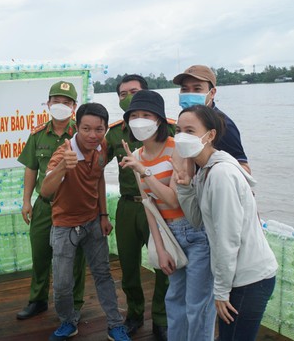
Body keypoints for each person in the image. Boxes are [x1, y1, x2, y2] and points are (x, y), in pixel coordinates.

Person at [174, 105, 277, 341]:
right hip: (239, 277)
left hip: (249, 279)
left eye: (190, 130)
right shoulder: (205, 171)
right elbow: (198, 220)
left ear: (210, 135)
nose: (181, 136)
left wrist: (220, 291)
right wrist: (184, 187)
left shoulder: (221, 174)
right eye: (178, 130)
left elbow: (227, 239)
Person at [119, 91, 215, 341]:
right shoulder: (137, 155)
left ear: (159, 120)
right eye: (135, 116)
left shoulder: (177, 148)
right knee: (174, 299)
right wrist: (160, 248)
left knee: (197, 304)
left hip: (194, 232)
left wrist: (144, 172)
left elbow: (174, 199)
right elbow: (149, 206)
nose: (140, 120)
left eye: (146, 115)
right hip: (168, 232)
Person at [41, 103, 130, 341]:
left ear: (104, 129)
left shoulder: (101, 146)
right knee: (61, 283)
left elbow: (99, 177)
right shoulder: (64, 153)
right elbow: (46, 190)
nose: (93, 135)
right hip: (64, 226)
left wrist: (103, 215)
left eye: (99, 129)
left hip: (93, 222)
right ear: (76, 128)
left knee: (103, 274)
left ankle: (114, 324)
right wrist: (62, 167)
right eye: (86, 129)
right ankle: (68, 321)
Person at [105, 75, 170, 339]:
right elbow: (94, 166)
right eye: (122, 94)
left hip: (160, 207)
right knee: (128, 265)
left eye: (133, 91)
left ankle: (161, 318)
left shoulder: (171, 130)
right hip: (128, 207)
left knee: (164, 265)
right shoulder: (115, 132)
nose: (127, 97)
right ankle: (133, 313)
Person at [16, 81, 86, 320]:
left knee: (75, 258)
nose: (61, 106)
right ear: (48, 104)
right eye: (56, 101)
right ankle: (37, 301)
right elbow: (31, 169)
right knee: (40, 254)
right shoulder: (37, 135)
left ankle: (75, 304)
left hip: (73, 207)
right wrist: (26, 201)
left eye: (66, 102)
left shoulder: (82, 133)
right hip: (45, 205)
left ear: (75, 107)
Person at [173, 65, 251, 173]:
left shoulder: (223, 125)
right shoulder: (185, 121)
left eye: (197, 89)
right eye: (185, 89)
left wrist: (214, 176)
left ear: (212, 93)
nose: (190, 94)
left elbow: (245, 169)